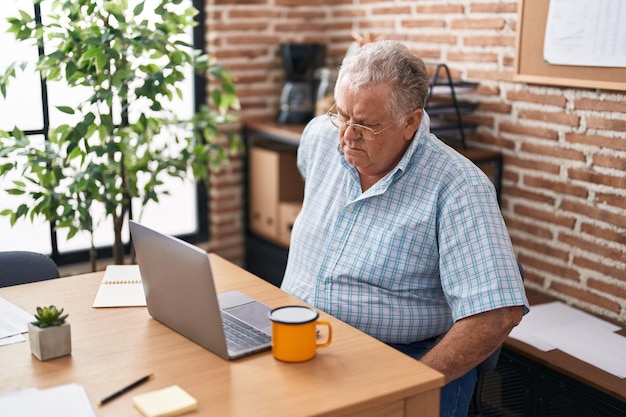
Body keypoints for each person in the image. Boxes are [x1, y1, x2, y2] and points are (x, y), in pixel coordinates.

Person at [280, 40, 529, 417]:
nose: (347, 135)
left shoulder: (459, 186)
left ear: (410, 122)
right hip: (300, 335)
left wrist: (411, 383)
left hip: (402, 356)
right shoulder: (318, 138)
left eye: (367, 124)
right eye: (343, 115)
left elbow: (496, 315)